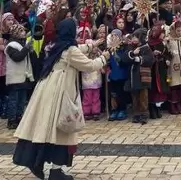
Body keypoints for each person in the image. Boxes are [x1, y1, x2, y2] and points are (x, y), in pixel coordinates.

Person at [13, 18, 109, 180]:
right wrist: (104, 58)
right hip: (60, 94)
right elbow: (89, 65)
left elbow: (77, 49)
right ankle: (56, 171)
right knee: (61, 131)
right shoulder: (70, 51)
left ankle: (34, 161)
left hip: (46, 91)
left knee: (43, 129)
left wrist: (94, 44)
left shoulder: (57, 46)